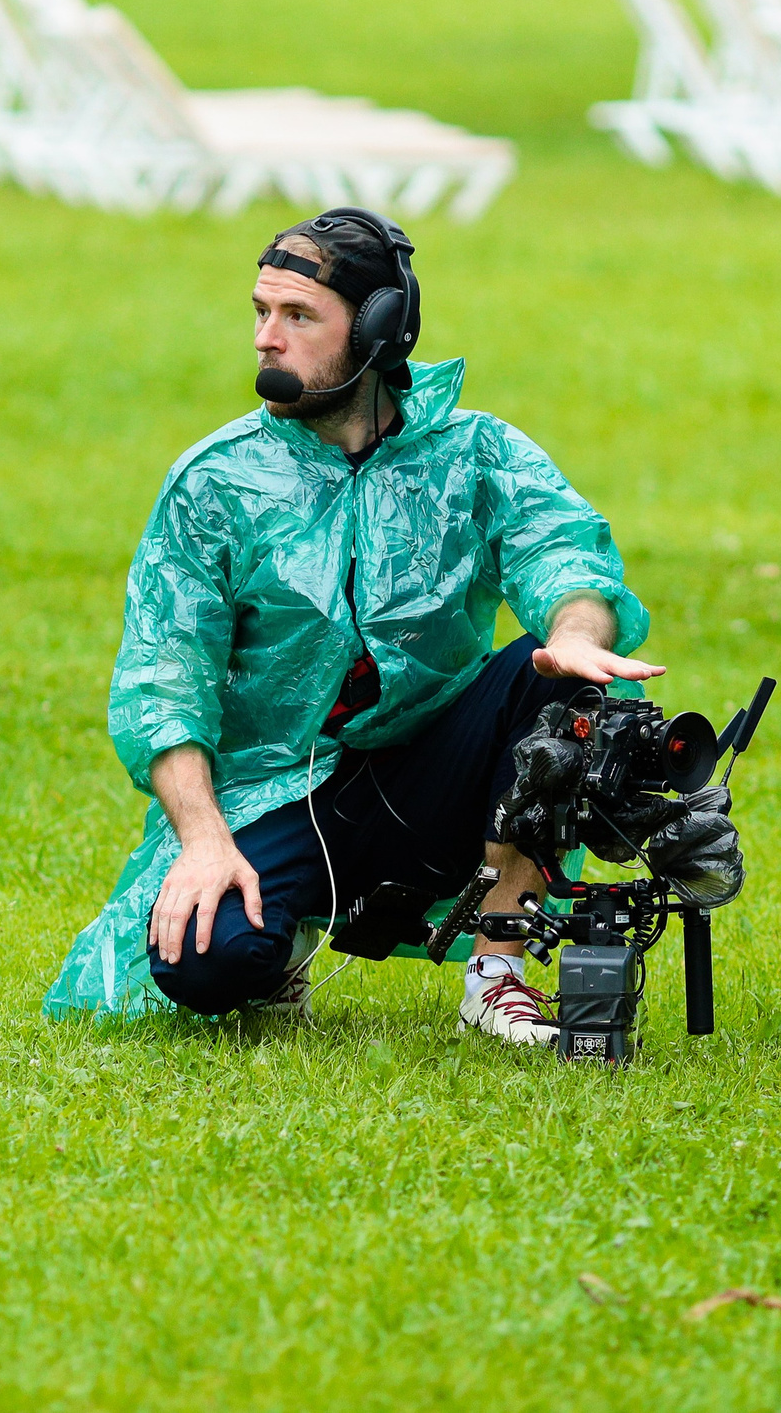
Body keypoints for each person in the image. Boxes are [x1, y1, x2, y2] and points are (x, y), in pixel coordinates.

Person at [41, 208, 661, 1044]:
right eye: (261, 312)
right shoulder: (215, 482)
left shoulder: (476, 452)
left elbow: (563, 554)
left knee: (560, 678)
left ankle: (497, 973)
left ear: (377, 332)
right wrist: (201, 841)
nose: (267, 338)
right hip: (279, 785)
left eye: (297, 317)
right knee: (203, 965)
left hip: (430, 770)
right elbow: (165, 678)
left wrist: (580, 631)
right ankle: (282, 929)